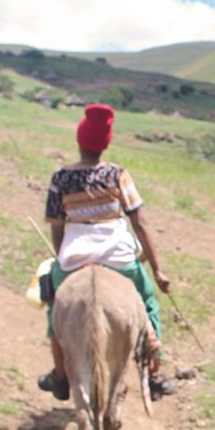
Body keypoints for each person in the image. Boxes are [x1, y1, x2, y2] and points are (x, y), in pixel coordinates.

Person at [37, 103, 176, 401]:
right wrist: (157, 270)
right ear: (106, 143)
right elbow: (140, 223)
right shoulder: (118, 176)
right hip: (119, 259)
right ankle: (154, 374)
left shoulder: (60, 178)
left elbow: (57, 227)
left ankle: (61, 378)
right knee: (148, 303)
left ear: (79, 140)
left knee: (55, 310)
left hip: (74, 259)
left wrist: (62, 258)